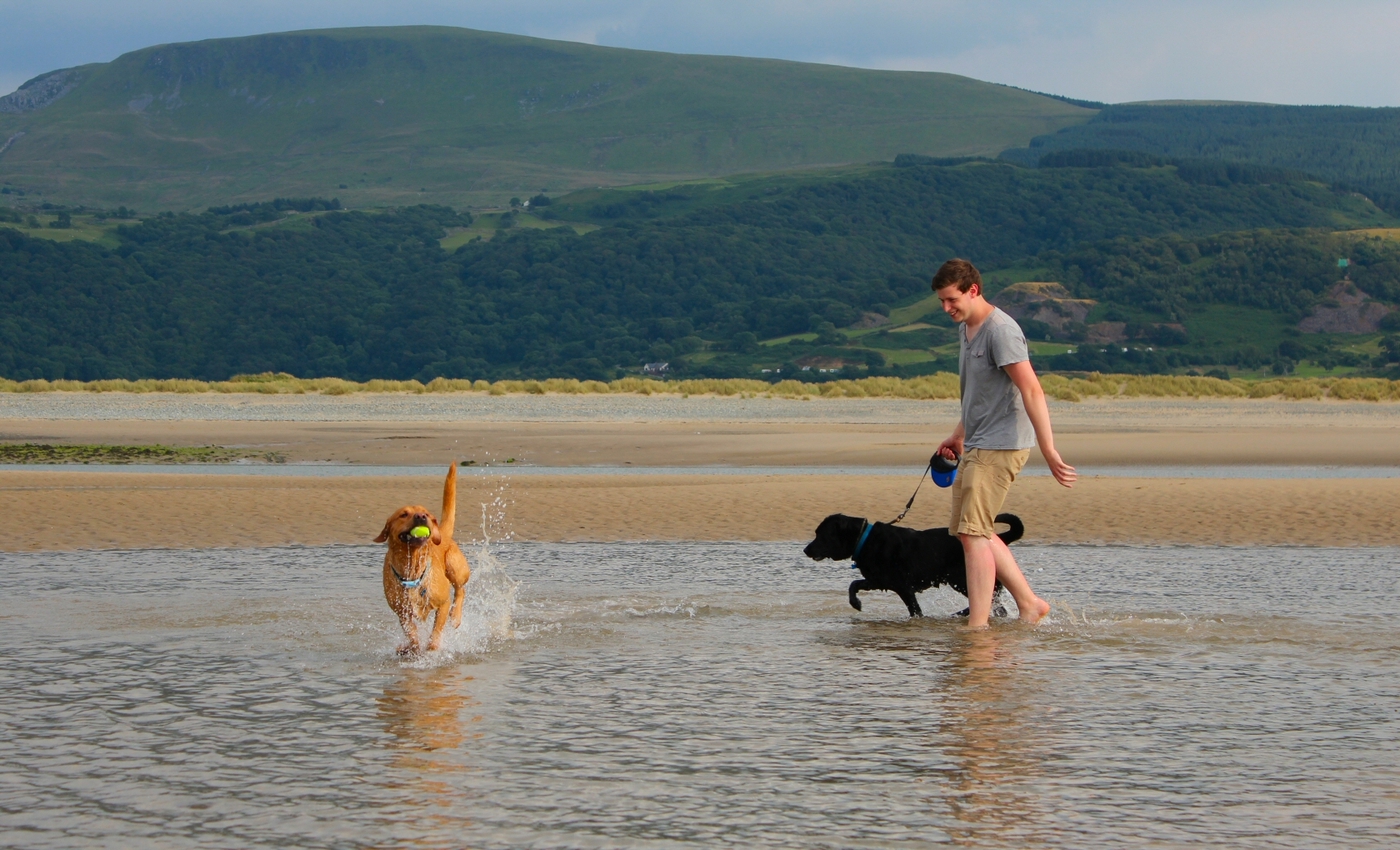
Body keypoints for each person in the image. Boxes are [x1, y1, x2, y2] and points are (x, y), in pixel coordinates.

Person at [932, 258, 1076, 628]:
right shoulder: (967, 329)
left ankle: (978, 627)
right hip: (978, 442)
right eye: (942, 302)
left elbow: (1032, 389)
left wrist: (1049, 449)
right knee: (969, 532)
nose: (947, 309)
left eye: (952, 300)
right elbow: (981, 394)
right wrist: (958, 435)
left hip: (1002, 445)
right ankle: (1029, 604)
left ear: (973, 290)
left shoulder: (1001, 330)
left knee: (973, 533)